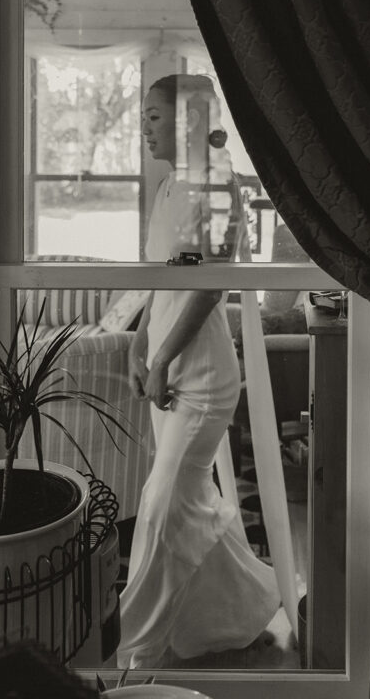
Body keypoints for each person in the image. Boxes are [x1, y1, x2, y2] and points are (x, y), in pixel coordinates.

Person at [117, 73, 280, 669]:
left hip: (203, 377)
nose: (143, 126)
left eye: (153, 116)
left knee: (163, 507)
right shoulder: (168, 186)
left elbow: (208, 290)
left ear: (185, 121)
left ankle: (133, 651)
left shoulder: (215, 183)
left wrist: (161, 359)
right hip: (164, 362)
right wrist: (140, 345)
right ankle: (242, 614)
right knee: (189, 501)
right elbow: (165, 280)